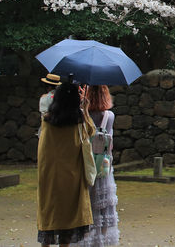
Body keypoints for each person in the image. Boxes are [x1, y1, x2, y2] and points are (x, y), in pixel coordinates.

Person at [37, 79, 95, 246]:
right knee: (69, 218)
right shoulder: (78, 122)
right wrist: (85, 109)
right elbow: (91, 131)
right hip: (72, 177)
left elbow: (43, 150)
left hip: (50, 175)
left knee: (49, 212)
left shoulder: (47, 121)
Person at [78, 85, 120, 247]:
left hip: (85, 163)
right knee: (103, 205)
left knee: (86, 202)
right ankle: (102, 240)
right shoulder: (109, 116)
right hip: (103, 165)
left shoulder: (82, 114)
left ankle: (85, 238)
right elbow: (111, 143)